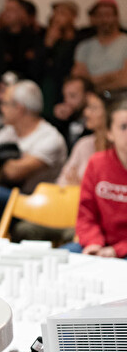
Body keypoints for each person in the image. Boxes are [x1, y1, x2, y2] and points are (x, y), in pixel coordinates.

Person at [12, 90, 110, 244]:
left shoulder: (119, 153)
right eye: (86, 108)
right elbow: (63, 182)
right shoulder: (83, 145)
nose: (86, 113)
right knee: (24, 229)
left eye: (93, 108)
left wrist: (80, 189)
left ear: (109, 114)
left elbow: (106, 195)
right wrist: (79, 189)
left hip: (91, 220)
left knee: (72, 239)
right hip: (63, 209)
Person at [63, 99, 127, 258]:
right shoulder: (97, 163)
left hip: (122, 249)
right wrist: (93, 243)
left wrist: (116, 250)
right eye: (124, 127)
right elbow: (86, 215)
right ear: (109, 133)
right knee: (59, 260)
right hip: (98, 244)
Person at [0, 80, 67, 194]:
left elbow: (13, 173)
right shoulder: (8, 131)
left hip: (37, 205)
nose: (1, 108)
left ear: (19, 108)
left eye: (4, 103)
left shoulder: (50, 138)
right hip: (7, 198)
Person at [72, 0, 127, 94]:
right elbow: (79, 80)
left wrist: (93, 80)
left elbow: (124, 80)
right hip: (92, 99)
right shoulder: (84, 47)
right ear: (94, 19)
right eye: (100, 15)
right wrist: (111, 76)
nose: (104, 20)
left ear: (116, 17)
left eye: (108, 15)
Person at [51, 76, 95, 151]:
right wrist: (57, 120)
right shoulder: (63, 122)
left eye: (72, 96)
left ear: (88, 96)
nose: (67, 101)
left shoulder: (95, 123)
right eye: (65, 96)